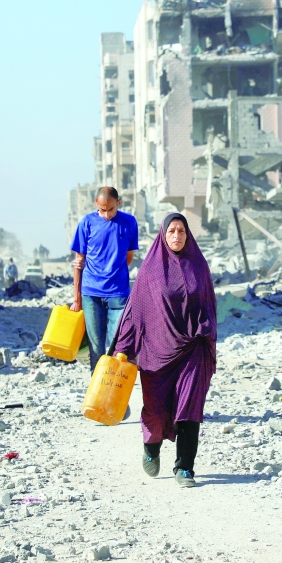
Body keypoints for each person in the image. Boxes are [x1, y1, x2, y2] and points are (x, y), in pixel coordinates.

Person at [110, 213, 217, 488]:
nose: (177, 236)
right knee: (156, 412)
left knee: (189, 408)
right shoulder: (150, 270)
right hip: (156, 353)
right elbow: (135, 313)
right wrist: (123, 348)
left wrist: (205, 332)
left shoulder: (199, 266)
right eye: (172, 230)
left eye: (182, 231)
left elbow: (209, 305)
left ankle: (185, 468)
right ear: (163, 234)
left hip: (192, 347)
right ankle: (151, 447)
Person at [70, 187, 139, 371]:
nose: (107, 214)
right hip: (91, 293)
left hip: (119, 294)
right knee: (96, 347)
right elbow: (79, 262)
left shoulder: (129, 223)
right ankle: (97, 394)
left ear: (119, 203)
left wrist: (114, 271)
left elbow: (129, 257)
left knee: (119, 347)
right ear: (96, 203)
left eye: (111, 209)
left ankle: (115, 394)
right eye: (102, 210)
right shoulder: (87, 223)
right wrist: (77, 299)